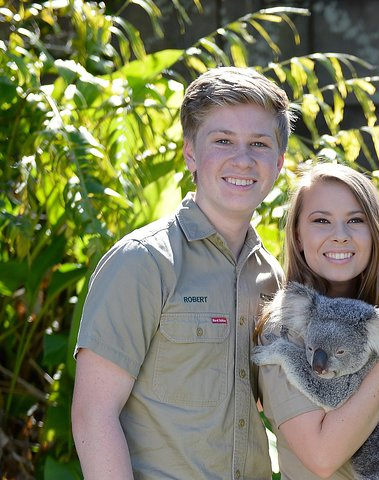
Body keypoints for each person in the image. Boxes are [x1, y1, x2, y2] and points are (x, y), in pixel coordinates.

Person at [71, 66, 293, 479]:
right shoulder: (142, 263)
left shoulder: (271, 277)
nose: (242, 160)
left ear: (279, 163)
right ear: (191, 152)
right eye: (223, 140)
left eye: (259, 144)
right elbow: (93, 415)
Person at [254, 162, 379, 479]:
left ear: (375, 232)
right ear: (297, 236)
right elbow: (323, 456)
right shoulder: (286, 331)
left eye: (355, 220)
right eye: (321, 221)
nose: (340, 236)